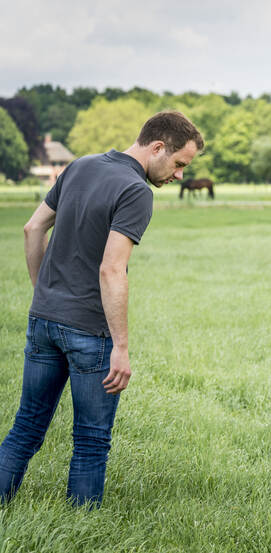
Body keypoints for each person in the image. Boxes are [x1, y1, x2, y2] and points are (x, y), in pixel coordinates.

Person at [0, 111, 203, 507]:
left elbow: (33, 228)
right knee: (91, 440)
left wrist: (43, 292)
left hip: (43, 320)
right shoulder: (135, 190)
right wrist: (121, 347)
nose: (179, 175)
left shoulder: (80, 165)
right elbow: (112, 269)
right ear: (157, 147)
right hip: (89, 333)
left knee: (25, 427)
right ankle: (80, 527)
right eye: (179, 164)